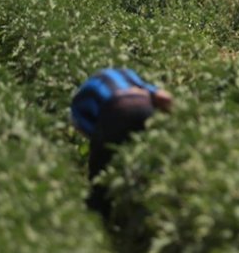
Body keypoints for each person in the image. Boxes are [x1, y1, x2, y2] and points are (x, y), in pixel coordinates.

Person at [70, 68, 172, 219]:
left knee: (100, 172)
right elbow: (165, 98)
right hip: (143, 104)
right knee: (151, 159)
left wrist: (105, 145)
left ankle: (99, 216)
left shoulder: (80, 99)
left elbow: (84, 128)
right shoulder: (130, 76)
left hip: (116, 107)